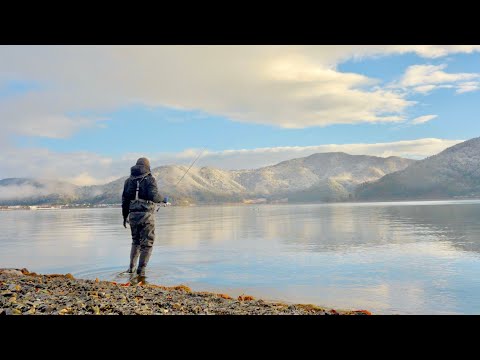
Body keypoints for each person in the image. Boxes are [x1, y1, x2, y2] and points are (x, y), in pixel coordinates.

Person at [122, 157, 166, 277]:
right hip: (146, 216)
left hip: (132, 216)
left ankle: (131, 269)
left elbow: (125, 201)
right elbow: (154, 196)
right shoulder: (150, 179)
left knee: (135, 242)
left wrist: (124, 217)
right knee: (147, 244)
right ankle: (141, 272)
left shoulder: (128, 181)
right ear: (147, 167)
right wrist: (163, 199)